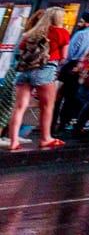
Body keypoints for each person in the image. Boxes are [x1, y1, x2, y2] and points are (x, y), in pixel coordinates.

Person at [6, 8, 62, 150]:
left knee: (19, 107)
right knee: (47, 106)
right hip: (45, 70)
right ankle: (45, 138)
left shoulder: (28, 34)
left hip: (24, 71)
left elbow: (19, 52)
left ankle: (13, 141)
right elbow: (65, 55)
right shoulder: (60, 32)